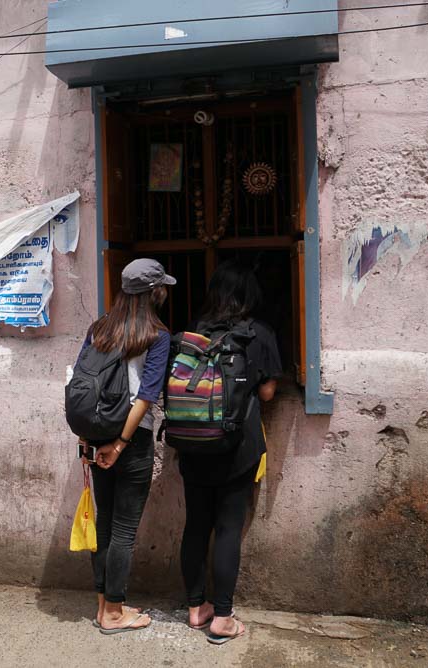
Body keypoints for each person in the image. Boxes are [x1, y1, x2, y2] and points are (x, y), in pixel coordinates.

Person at [177, 260, 282, 644]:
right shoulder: (260, 335)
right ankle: (222, 617)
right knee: (227, 529)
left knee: (195, 525)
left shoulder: (192, 332)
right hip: (237, 449)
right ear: (250, 294)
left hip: (192, 446)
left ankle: (194, 607)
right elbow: (268, 392)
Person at [75, 258, 175, 635]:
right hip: (130, 441)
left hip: (98, 434)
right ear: (154, 292)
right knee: (124, 530)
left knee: (105, 523)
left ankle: (104, 604)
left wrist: (91, 438)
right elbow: (146, 396)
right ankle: (115, 612)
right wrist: (120, 443)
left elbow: (83, 383)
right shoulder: (156, 335)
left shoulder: (99, 328)